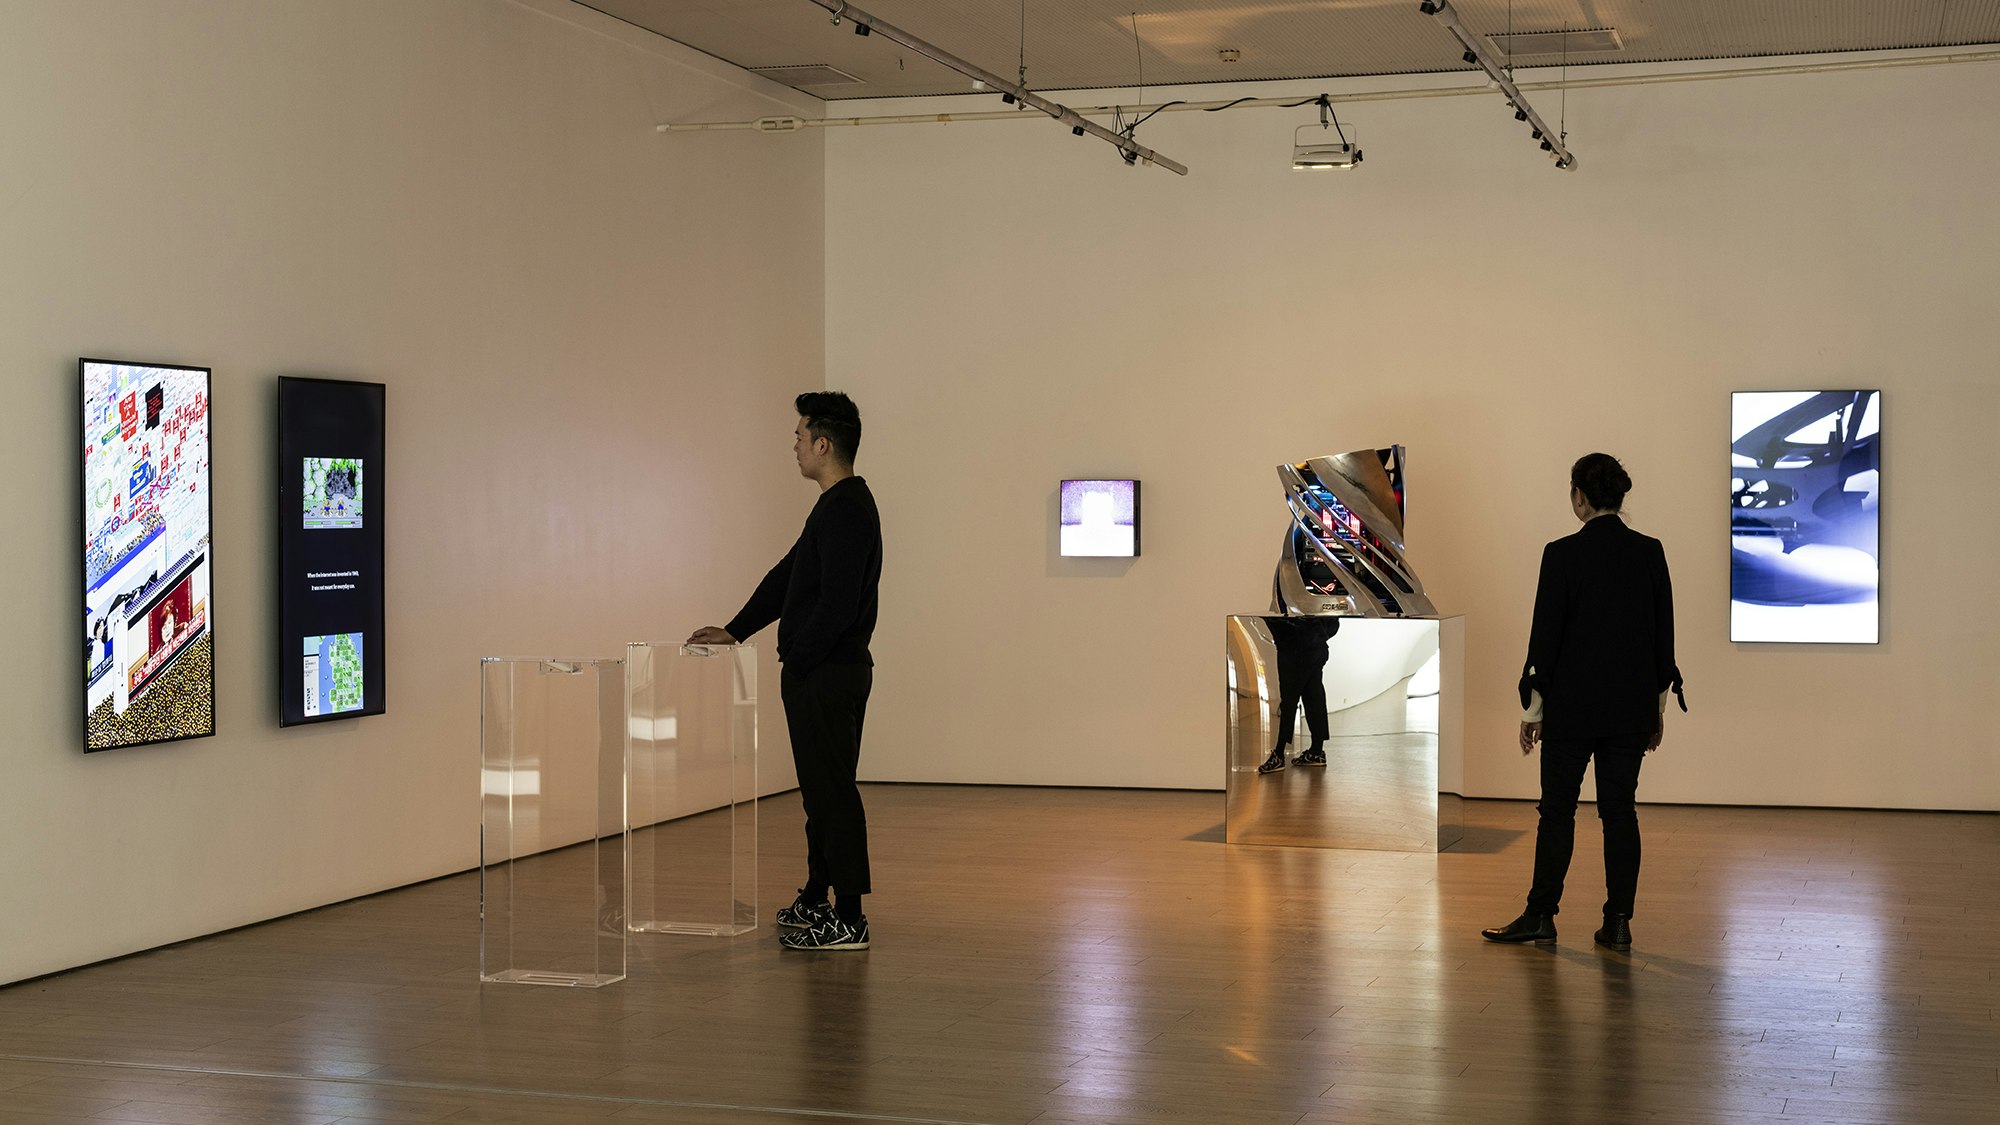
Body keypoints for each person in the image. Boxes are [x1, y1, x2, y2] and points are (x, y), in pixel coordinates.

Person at [690, 391, 882, 952]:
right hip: (820, 672)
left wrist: (797, 660)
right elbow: (789, 575)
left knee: (833, 795)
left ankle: (849, 918)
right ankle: (818, 896)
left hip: (826, 674)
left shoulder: (847, 507)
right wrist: (737, 629)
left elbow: (839, 605)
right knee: (822, 794)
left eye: (800, 436)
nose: (794, 446)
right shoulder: (834, 506)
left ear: (824, 444)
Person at [1483, 453, 1684, 952]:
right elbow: (1664, 639)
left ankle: (1540, 916)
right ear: (1619, 496)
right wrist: (1656, 710)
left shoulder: (1561, 554)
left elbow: (1544, 640)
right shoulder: (1650, 552)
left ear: (1579, 497)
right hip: (1629, 712)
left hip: (1571, 711)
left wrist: (1533, 711)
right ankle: (1618, 922)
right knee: (1620, 813)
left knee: (1557, 813)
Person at [1256, 615, 1341, 773]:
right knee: (1314, 698)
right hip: (1315, 649)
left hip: (1294, 651)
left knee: (1289, 701)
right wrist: (1317, 635)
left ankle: (1279, 755)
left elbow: (1277, 619)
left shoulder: (1287, 595)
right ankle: (1316, 752)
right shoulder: (1314, 594)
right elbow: (1333, 623)